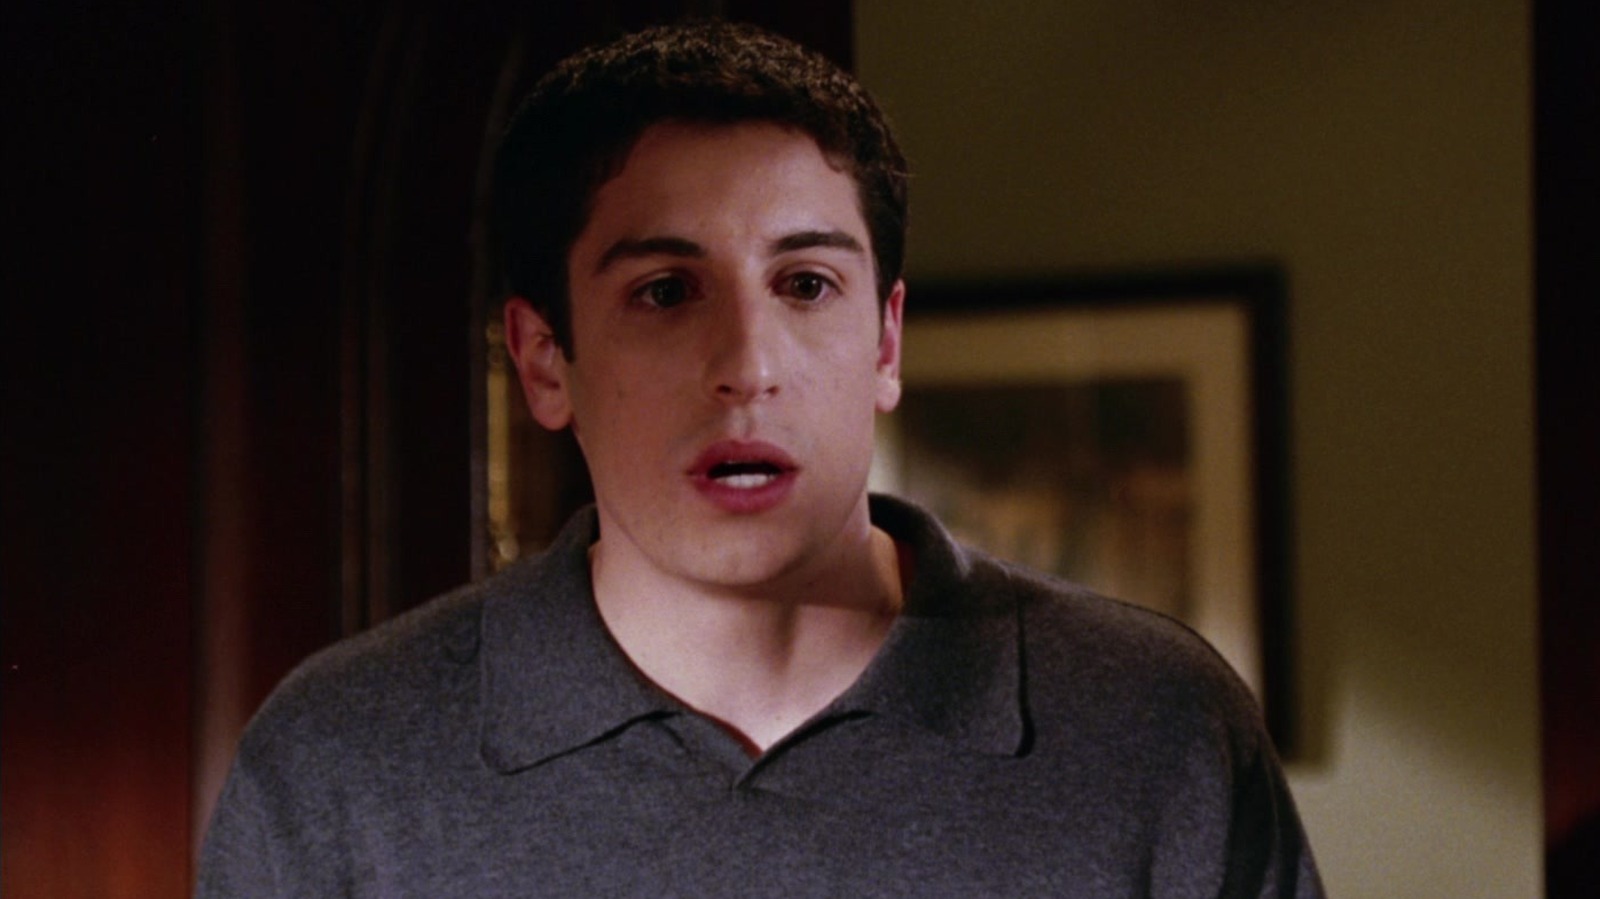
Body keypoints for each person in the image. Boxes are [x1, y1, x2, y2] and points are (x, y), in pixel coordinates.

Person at [196, 20, 1323, 897]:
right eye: (665, 292)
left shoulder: (1156, 727)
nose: (748, 365)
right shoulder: (336, 764)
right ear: (544, 362)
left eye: (805, 284)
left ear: (884, 343)